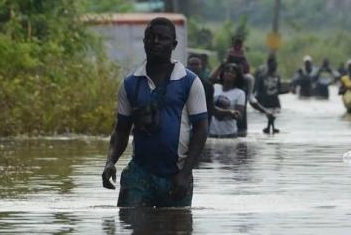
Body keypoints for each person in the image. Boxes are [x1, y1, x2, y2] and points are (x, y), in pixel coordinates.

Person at [102, 17, 209, 208]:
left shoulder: (189, 82)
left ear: (174, 44)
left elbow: (201, 130)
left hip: (176, 174)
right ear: (144, 42)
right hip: (139, 174)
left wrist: (185, 174)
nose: (156, 42)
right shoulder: (130, 84)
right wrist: (110, 162)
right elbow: (121, 130)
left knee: (176, 232)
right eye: (151, 37)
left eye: (162, 38)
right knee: (129, 227)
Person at [209, 62, 246, 138]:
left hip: (230, 134)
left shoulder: (240, 93)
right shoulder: (215, 87)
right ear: (223, 74)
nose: (229, 74)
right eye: (227, 71)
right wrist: (220, 66)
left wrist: (228, 113)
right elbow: (210, 80)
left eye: (232, 73)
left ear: (237, 76)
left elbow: (239, 115)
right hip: (212, 133)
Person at [254, 54, 282, 133]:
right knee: (268, 114)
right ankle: (270, 127)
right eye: (274, 64)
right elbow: (258, 89)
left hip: (275, 100)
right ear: (269, 65)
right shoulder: (262, 76)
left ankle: (270, 127)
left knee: (273, 114)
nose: (275, 66)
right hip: (265, 101)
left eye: (276, 64)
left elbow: (279, 88)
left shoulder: (277, 76)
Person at [187, 55, 215, 123]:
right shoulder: (181, 83)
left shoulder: (208, 85)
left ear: (201, 66)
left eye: (197, 64)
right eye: (192, 64)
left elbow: (210, 107)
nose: (194, 67)